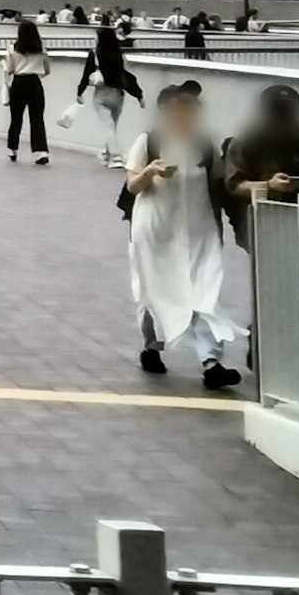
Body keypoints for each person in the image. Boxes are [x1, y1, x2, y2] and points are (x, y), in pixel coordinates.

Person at [121, 82, 246, 389]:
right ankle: (152, 346)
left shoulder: (205, 145)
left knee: (206, 292)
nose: (187, 116)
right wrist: (150, 171)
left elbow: (220, 186)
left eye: (192, 110)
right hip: (156, 229)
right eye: (180, 110)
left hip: (199, 231)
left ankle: (211, 362)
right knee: (155, 290)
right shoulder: (148, 141)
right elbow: (132, 186)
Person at [218, 81, 299, 232]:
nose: (283, 120)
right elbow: (234, 185)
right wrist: (269, 185)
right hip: (269, 225)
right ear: (263, 114)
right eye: (277, 114)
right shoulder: (245, 142)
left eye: (289, 113)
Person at [86, 19, 148, 166]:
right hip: (118, 94)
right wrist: (138, 95)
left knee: (108, 126)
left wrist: (80, 91)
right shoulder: (119, 56)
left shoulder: (95, 54)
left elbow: (86, 74)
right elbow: (126, 76)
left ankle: (115, 156)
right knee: (112, 124)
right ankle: (107, 154)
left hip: (101, 93)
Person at [3, 16, 54, 165]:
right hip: (35, 83)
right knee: (37, 118)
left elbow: (10, 69)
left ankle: (12, 149)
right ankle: (40, 151)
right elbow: (47, 70)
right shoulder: (41, 49)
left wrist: (3, 66)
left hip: (19, 83)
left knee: (16, 118)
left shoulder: (13, 49)